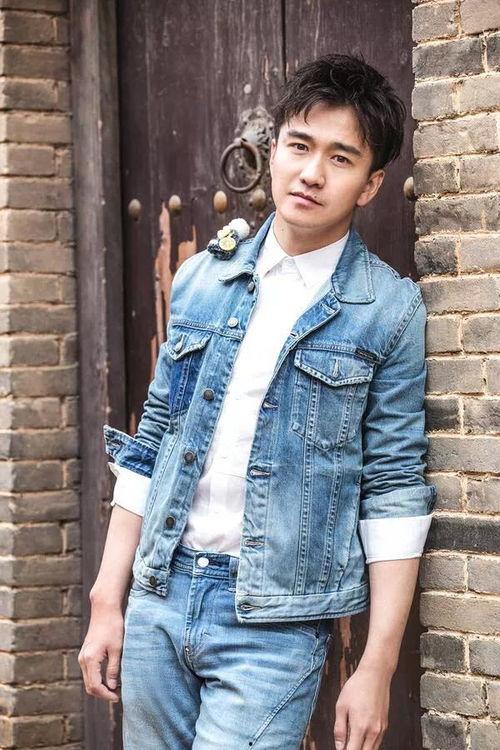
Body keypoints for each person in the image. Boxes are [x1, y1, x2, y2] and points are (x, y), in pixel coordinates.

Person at [78, 53, 436, 750]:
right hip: (159, 597)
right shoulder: (201, 280)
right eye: (299, 146)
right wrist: (107, 598)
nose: (311, 173)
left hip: (272, 627)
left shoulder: (388, 311)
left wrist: (377, 664)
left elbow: (394, 487)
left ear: (371, 184)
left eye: (340, 158)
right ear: (273, 152)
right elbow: (153, 443)